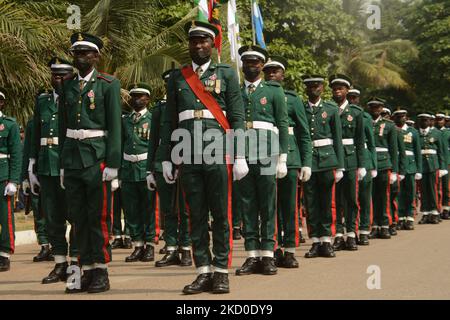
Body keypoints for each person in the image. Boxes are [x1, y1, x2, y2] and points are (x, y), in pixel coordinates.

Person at [158, 21, 248, 294]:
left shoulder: (227, 74)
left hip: (218, 152)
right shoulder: (177, 78)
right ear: (189, 45)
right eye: (194, 41)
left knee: (221, 214)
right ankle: (203, 271)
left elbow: (236, 116)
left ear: (212, 44)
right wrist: (167, 157)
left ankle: (221, 271)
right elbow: (170, 121)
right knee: (195, 215)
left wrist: (241, 154)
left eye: (203, 41)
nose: (198, 46)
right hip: (188, 155)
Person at [59, 33, 122, 293]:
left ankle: (101, 270)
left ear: (96, 56)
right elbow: (63, 125)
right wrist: (63, 163)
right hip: (73, 158)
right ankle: (83, 271)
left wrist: (114, 164)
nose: (81, 57)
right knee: (77, 218)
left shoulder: (108, 84)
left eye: (86, 53)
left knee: (98, 217)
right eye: (77, 53)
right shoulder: (68, 85)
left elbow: (115, 126)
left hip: (97, 158)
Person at [234, 46, 289, 277]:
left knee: (267, 206)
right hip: (243, 155)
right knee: (247, 205)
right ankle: (251, 255)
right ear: (242, 65)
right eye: (247, 63)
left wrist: (282, 158)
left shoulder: (274, 91)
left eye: (256, 63)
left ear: (262, 65)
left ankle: (267, 254)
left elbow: (282, 124)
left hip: (267, 153)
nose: (251, 66)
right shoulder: (235, 91)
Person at [29, 58, 79, 284]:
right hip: (47, 166)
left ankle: (77, 262)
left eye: (63, 75)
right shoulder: (43, 101)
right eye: (55, 75)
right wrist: (31, 166)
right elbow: (34, 132)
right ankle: (60, 262)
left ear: (71, 76)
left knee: (75, 216)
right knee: (52, 218)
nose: (58, 80)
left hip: (69, 165)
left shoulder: (77, 98)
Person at [262, 55, 312, 268]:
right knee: (268, 207)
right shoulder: (259, 94)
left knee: (289, 205)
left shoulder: (292, 99)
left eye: (276, 71)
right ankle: (272, 249)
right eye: (268, 71)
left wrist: (306, 161)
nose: (272, 74)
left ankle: (290, 249)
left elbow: (303, 132)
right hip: (264, 154)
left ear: (283, 75)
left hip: (290, 157)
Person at [147, 71, 192, 267]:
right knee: (168, 209)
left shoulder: (188, 106)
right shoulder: (159, 109)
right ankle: (171, 248)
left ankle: (187, 248)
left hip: (186, 160)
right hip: (162, 162)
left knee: (186, 208)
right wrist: (150, 169)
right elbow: (153, 141)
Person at [301, 75, 344, 258]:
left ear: (322, 88)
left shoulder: (331, 109)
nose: (313, 89)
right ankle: (315, 241)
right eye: (309, 87)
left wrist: (340, 166)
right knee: (311, 203)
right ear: (306, 89)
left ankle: (326, 240)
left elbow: (338, 138)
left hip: (327, 160)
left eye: (316, 86)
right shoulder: (301, 108)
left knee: (326, 202)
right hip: (309, 162)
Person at [329, 74, 366, 252]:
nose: (338, 91)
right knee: (335, 200)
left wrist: (362, 165)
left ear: (347, 91)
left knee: (351, 198)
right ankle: (337, 234)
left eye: (341, 88)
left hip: (351, 159)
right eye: (335, 88)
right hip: (332, 158)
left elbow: (360, 141)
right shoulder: (327, 109)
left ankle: (351, 233)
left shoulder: (356, 113)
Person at [120, 83, 156, 263]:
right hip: (128, 169)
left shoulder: (152, 118)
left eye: (141, 96)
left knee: (148, 209)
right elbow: (119, 145)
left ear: (148, 99)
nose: (136, 99)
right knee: (131, 210)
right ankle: (138, 245)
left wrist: (153, 170)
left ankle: (150, 245)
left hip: (144, 168)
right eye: (134, 96)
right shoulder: (125, 120)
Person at [348, 87, 377, 245]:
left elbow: (371, 144)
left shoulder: (364, 117)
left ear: (359, 99)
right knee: (350, 198)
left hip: (364, 159)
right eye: (350, 97)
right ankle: (351, 230)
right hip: (349, 159)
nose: (352, 100)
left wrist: (373, 166)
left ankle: (364, 229)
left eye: (355, 97)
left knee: (364, 197)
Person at [22, 116, 52, 262]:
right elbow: (27, 150)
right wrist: (24, 177)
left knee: (56, 210)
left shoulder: (62, 116)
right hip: (36, 172)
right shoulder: (33, 123)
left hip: (55, 171)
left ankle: (56, 245)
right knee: (38, 210)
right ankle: (44, 245)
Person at [367, 98, 398, 239]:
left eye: (378, 107)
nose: (375, 109)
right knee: (371, 196)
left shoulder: (389, 125)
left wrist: (395, 171)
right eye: (372, 107)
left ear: (382, 108)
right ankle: (374, 225)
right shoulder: (365, 122)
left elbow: (393, 149)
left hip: (384, 163)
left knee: (384, 196)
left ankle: (385, 225)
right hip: (369, 163)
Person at [0, 87, 23, 272]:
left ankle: (5, 253)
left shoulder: (9, 125)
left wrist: (14, 180)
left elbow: (16, 154)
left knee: (5, 217)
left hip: (3, 176)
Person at [391, 109, 422, 230]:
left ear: (406, 117)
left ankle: (409, 217)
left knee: (410, 193)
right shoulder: (392, 129)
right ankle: (400, 217)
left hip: (410, 165)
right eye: (397, 116)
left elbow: (417, 151)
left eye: (402, 116)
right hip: (397, 164)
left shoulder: (412, 132)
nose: (400, 119)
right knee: (398, 193)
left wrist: (418, 169)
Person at [417, 113, 447, 224]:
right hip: (421, 165)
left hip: (433, 165)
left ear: (430, 121)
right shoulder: (416, 133)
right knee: (423, 190)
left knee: (434, 189)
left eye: (426, 120)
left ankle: (435, 212)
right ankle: (425, 213)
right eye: (422, 120)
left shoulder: (437, 133)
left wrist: (443, 167)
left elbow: (441, 152)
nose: (424, 122)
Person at [434, 113, 450, 220]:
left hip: (448, 161)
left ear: (445, 121)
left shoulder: (448, 133)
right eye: (437, 119)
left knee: (446, 186)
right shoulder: (433, 132)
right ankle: (438, 209)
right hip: (436, 162)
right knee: (437, 187)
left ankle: (447, 209)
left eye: (441, 119)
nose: (439, 121)